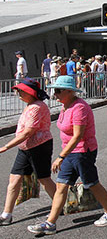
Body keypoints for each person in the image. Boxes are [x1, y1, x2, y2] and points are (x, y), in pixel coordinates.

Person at [28, 76, 107, 235]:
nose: (54, 94)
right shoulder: (66, 105)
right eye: (53, 90)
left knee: (92, 184)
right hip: (70, 152)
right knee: (61, 186)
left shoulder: (80, 108)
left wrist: (61, 157)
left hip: (82, 152)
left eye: (58, 90)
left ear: (70, 91)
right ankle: (50, 223)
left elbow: (78, 136)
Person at [0, 79, 56, 225]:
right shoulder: (30, 105)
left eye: (21, 91)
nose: (18, 94)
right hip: (25, 148)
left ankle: (59, 204)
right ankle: (6, 214)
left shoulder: (37, 107)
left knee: (44, 179)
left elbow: (28, 132)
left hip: (39, 147)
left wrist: (6, 147)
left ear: (30, 93)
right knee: (14, 180)